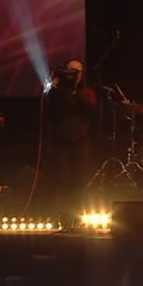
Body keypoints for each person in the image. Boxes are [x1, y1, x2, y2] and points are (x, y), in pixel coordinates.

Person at [44, 59, 97, 225]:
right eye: (71, 72)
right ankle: (65, 218)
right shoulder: (58, 93)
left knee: (80, 181)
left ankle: (79, 217)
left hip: (81, 143)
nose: (75, 76)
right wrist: (55, 87)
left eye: (78, 72)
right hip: (61, 143)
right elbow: (49, 106)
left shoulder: (87, 92)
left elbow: (91, 110)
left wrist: (75, 94)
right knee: (63, 181)